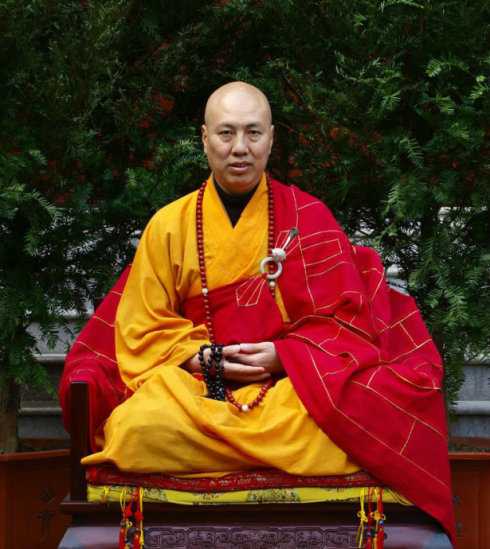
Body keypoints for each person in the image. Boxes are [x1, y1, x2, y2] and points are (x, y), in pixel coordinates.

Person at [76, 82, 454, 540]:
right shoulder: (169, 225)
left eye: (253, 133)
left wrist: (284, 357)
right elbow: (142, 329)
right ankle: (255, 446)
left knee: (347, 419)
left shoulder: (309, 217)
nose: (240, 148)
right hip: (200, 388)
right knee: (139, 427)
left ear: (271, 139)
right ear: (204, 139)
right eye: (226, 133)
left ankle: (228, 447)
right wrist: (202, 359)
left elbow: (346, 324)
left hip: (288, 388)